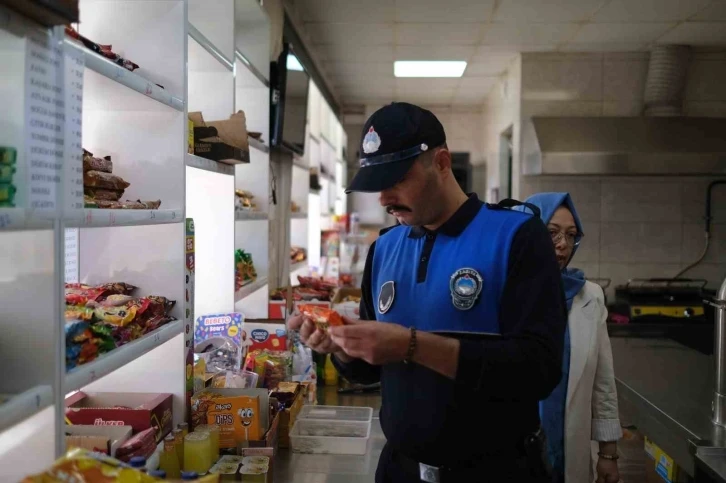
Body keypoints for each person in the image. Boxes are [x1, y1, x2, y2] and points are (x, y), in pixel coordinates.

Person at [288, 102, 568, 483]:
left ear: (441, 161)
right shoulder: (384, 249)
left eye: (397, 180)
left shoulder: (517, 236)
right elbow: (371, 370)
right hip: (400, 471)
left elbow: (540, 369)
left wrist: (412, 345)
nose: (384, 199)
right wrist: (338, 346)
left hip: (497, 472)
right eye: (376, 186)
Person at [520, 193, 622, 483]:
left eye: (571, 235)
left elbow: (603, 382)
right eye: (551, 233)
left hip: (569, 452)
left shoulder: (590, 297)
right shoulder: (507, 291)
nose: (563, 244)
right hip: (513, 453)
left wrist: (608, 454)